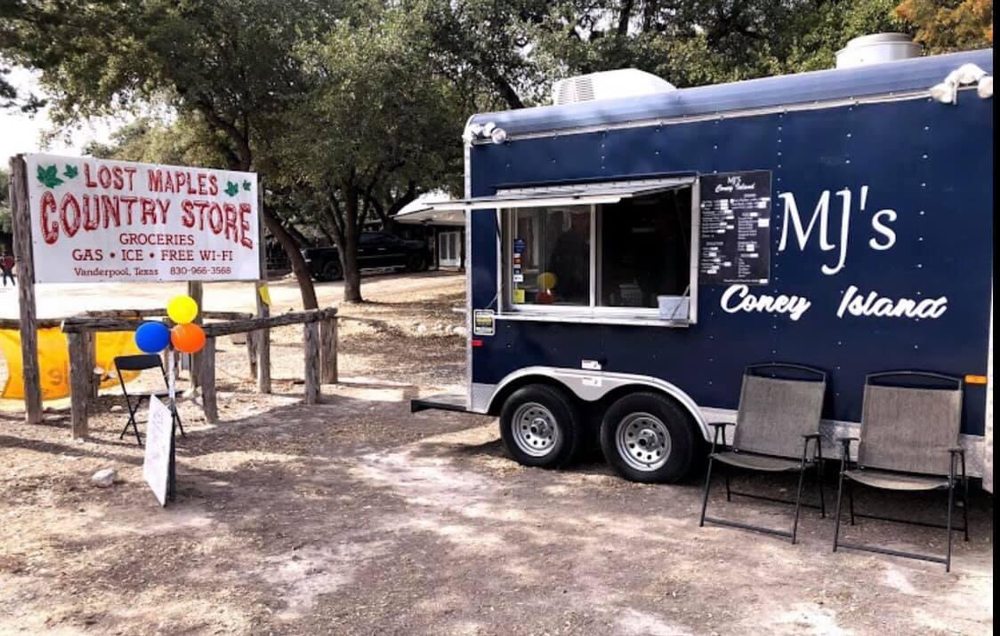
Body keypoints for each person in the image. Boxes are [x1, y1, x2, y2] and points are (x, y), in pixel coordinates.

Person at [546, 211, 589, 303]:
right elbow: (553, 267)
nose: (580, 222)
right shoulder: (564, 240)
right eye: (576, 218)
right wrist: (553, 291)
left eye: (583, 218)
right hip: (566, 293)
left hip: (590, 292)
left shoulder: (596, 237)